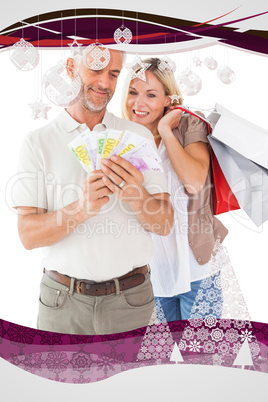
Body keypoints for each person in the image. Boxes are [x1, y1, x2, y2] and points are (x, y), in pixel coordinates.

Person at [12, 49, 174, 335]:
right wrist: (82, 208)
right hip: (62, 305)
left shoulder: (138, 136)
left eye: (113, 73)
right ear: (72, 67)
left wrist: (137, 195)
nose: (105, 83)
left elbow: (164, 224)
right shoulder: (38, 143)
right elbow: (27, 235)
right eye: (96, 69)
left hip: (133, 302)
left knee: (142, 381)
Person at [121, 57, 228, 322]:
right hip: (149, 276)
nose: (138, 103)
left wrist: (165, 132)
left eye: (151, 94)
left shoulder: (189, 126)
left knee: (201, 359)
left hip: (199, 271)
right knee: (159, 361)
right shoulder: (121, 138)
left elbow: (194, 181)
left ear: (169, 98)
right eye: (133, 93)